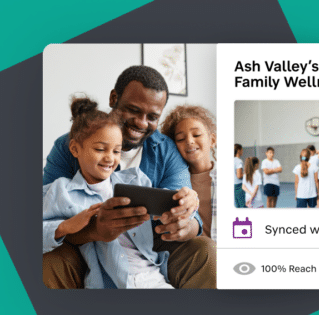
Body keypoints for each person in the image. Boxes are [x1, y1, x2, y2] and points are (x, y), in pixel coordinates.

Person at [42, 65, 215, 289]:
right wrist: (95, 230)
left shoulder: (166, 151)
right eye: (133, 110)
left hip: (150, 246)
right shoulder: (72, 144)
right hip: (86, 245)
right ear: (114, 97)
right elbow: (46, 218)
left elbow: (192, 220)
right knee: (49, 260)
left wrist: (185, 223)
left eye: (152, 116)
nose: (142, 123)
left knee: (205, 251)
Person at [44, 97, 174, 288]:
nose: (109, 158)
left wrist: (185, 200)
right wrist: (65, 226)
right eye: (99, 149)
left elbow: (166, 208)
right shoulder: (62, 190)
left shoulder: (137, 180)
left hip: (154, 276)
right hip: (114, 282)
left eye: (116, 151)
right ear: (74, 149)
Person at [161, 105, 217, 241]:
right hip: (200, 255)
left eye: (197, 134)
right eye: (180, 139)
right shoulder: (175, 183)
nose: (189, 141)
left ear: (212, 140)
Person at [234, 144, 245, 208]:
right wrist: (247, 174)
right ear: (238, 151)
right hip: (239, 186)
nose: (242, 151)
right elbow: (239, 176)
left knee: (237, 205)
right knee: (243, 206)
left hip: (233, 186)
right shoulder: (238, 161)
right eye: (241, 150)